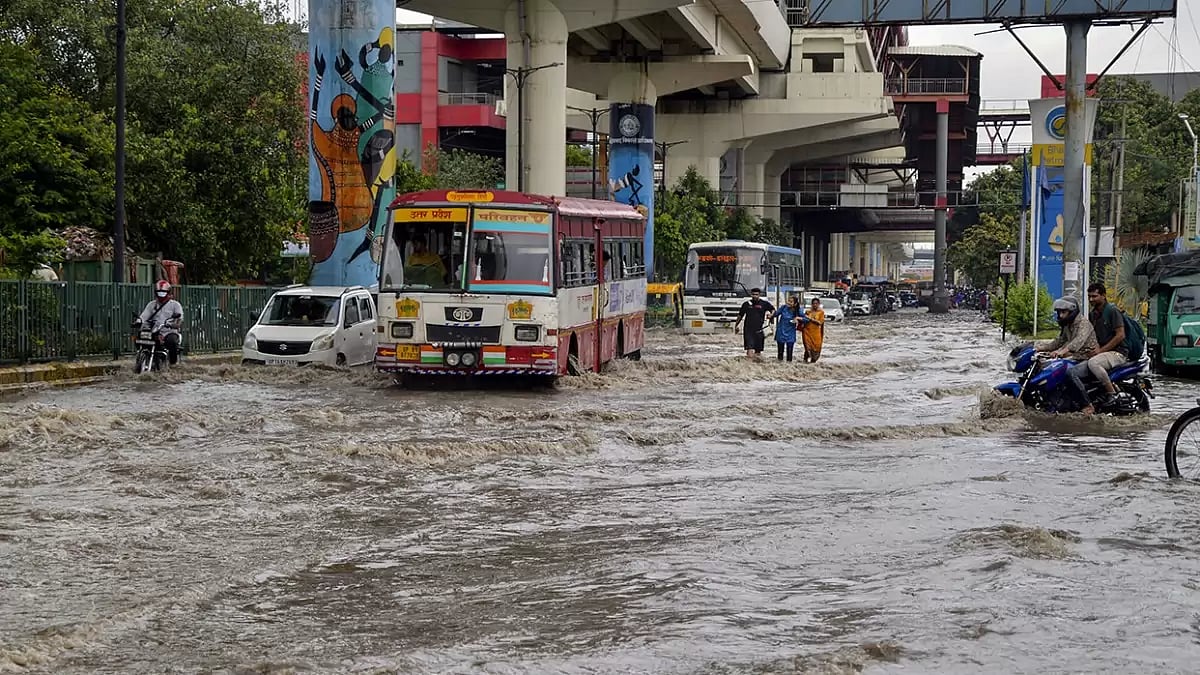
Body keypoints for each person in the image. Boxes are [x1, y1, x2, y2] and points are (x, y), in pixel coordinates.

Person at [1069, 282, 1128, 414]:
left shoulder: (1112, 311)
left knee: (1093, 363)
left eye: (1094, 296)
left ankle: (1112, 393)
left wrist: (1101, 351)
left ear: (1103, 296)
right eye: (1089, 296)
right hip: (1103, 353)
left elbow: (1120, 335)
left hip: (1118, 353)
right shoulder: (1093, 314)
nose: (1091, 299)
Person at [1036, 295, 1099, 410]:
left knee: (1068, 372)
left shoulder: (1083, 324)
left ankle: (1087, 405)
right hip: (1075, 358)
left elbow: (1077, 342)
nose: (1060, 315)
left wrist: (1062, 351)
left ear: (1072, 311)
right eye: (1059, 312)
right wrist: (1039, 348)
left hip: (1087, 358)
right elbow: (1059, 341)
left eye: (1063, 312)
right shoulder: (1067, 326)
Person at [138, 280, 184, 365]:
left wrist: (174, 324)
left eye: (163, 292)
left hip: (168, 332)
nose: (161, 294)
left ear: (168, 292)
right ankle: (143, 358)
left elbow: (179, 320)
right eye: (159, 292)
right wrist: (138, 322)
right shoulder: (152, 305)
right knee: (140, 338)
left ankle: (173, 363)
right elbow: (144, 316)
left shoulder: (175, 305)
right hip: (154, 331)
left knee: (172, 341)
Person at [733, 288, 774, 359]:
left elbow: (773, 310)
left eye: (756, 295)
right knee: (749, 349)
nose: (755, 296)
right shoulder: (746, 304)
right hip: (748, 330)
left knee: (758, 352)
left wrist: (771, 315)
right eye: (753, 294)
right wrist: (736, 325)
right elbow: (740, 315)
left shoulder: (764, 303)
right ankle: (749, 366)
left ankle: (757, 367)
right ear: (751, 295)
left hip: (759, 330)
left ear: (759, 295)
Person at [773, 295, 803, 362]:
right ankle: (779, 367)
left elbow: (806, 319)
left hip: (790, 334)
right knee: (780, 354)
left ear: (795, 304)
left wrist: (798, 318)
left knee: (789, 354)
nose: (788, 302)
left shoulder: (798, 310)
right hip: (781, 332)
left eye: (791, 301)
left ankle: (788, 367)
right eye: (788, 301)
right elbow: (775, 314)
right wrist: (770, 315)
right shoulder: (783, 308)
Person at [801, 297, 826, 363]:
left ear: (819, 304)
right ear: (811, 304)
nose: (815, 305)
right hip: (807, 332)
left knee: (816, 348)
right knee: (807, 347)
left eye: (816, 303)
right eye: (813, 303)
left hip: (816, 333)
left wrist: (811, 319)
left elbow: (820, 322)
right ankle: (805, 361)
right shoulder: (808, 312)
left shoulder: (821, 312)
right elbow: (804, 320)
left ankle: (813, 362)